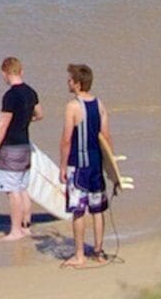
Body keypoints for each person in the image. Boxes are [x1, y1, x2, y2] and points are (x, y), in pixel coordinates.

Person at [60, 62, 127, 267]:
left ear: (78, 84)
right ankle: (98, 251)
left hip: (78, 167)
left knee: (78, 211)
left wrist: (63, 167)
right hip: (96, 166)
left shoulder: (72, 106)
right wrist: (112, 169)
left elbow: (66, 140)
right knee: (98, 210)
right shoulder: (100, 104)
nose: (68, 82)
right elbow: (106, 137)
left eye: (70, 79)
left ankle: (80, 255)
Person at [0, 54, 43, 245]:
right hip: (25, 146)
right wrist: (24, 119)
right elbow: (39, 114)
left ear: (5, 73)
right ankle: (26, 227)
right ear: (21, 71)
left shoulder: (10, 96)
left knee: (12, 190)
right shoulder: (31, 92)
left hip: (11, 147)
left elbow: (2, 126)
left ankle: (15, 230)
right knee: (22, 188)